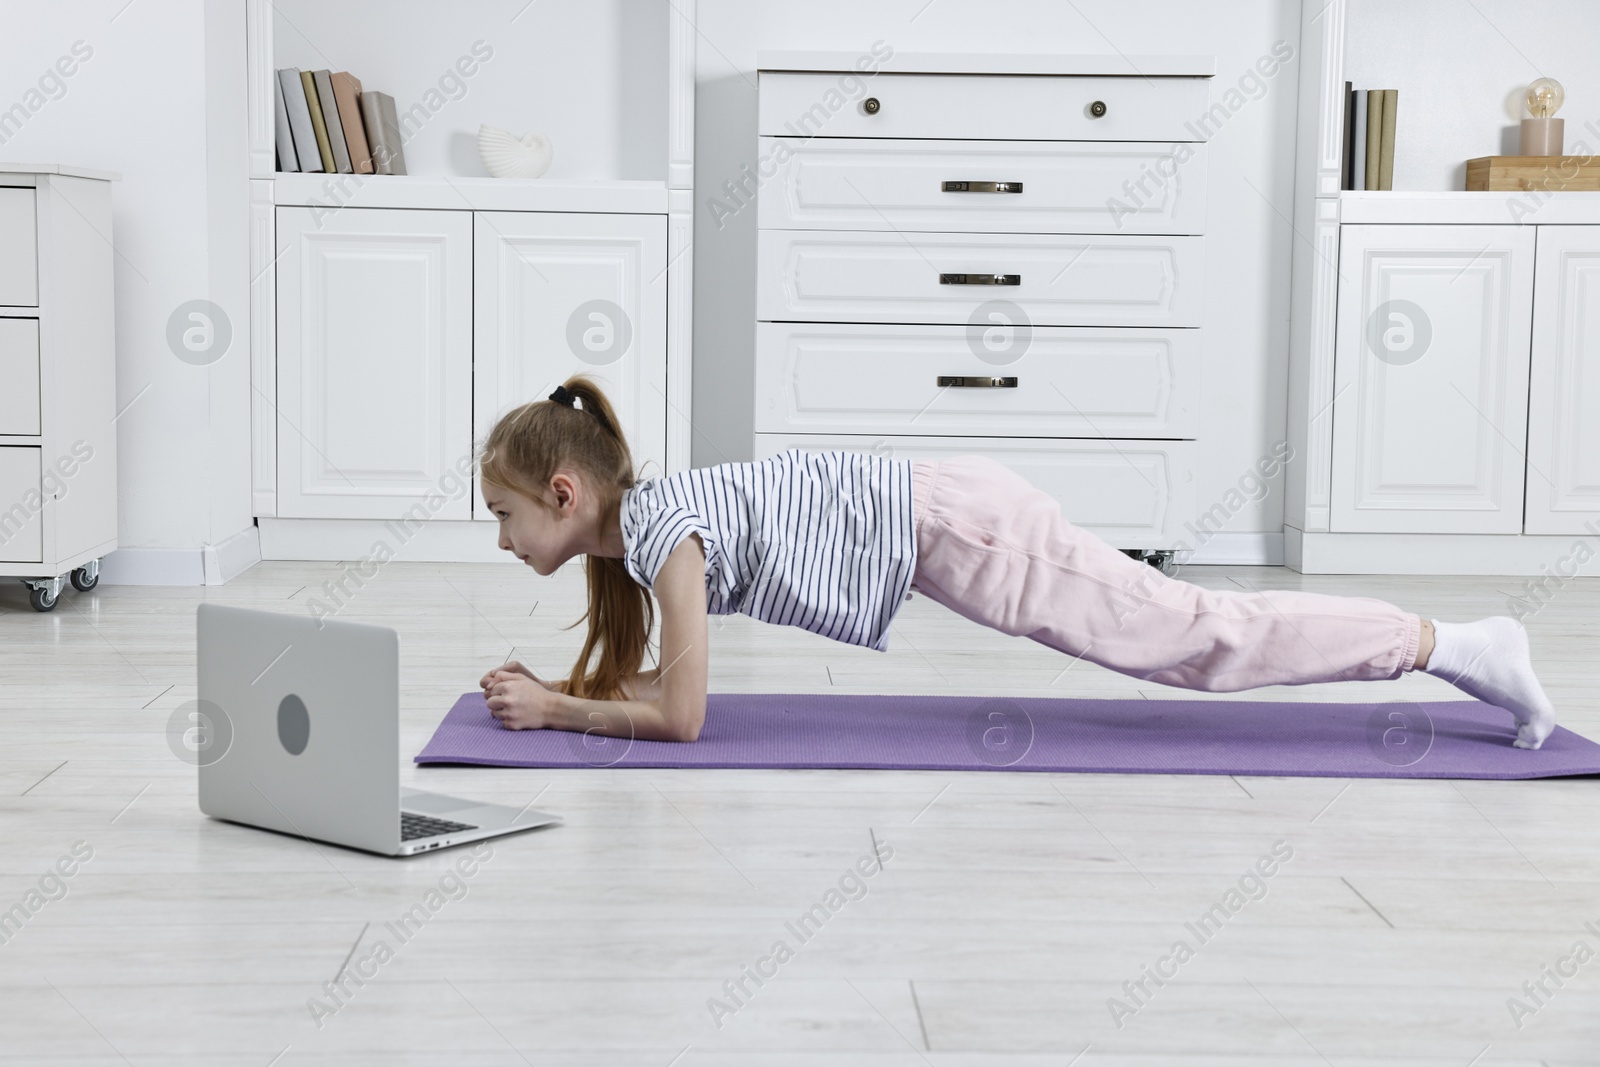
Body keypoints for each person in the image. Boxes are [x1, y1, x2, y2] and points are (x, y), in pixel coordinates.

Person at [475, 375, 1557, 750]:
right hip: (954, 520)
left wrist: (564, 711)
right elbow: (668, 682)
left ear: (564, 494)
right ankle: (1445, 643)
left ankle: (1452, 644)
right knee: (1188, 634)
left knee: (1194, 640)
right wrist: (563, 690)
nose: (503, 537)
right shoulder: (655, 529)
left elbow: (684, 718)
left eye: (504, 514)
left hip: (963, 529)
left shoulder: (664, 537)